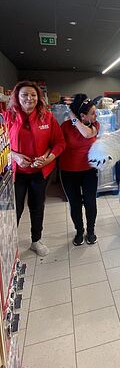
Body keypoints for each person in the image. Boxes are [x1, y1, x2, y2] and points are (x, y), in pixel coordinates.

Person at [2, 81, 65, 256]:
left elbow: (59, 143)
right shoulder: (7, 117)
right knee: (15, 209)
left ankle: (36, 241)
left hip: (40, 172)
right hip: (16, 173)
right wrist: (15, 156)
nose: (29, 98)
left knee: (37, 207)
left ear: (39, 98)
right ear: (17, 97)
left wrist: (47, 158)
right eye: (25, 95)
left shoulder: (47, 117)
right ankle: (8, 244)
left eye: (33, 95)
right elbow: (2, 144)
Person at [59, 94, 99, 246]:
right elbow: (58, 144)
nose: (96, 115)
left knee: (90, 202)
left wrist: (74, 118)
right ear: (83, 115)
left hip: (89, 171)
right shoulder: (65, 127)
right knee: (75, 203)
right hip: (68, 171)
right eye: (93, 113)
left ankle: (90, 231)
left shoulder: (95, 125)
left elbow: (87, 134)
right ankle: (79, 231)